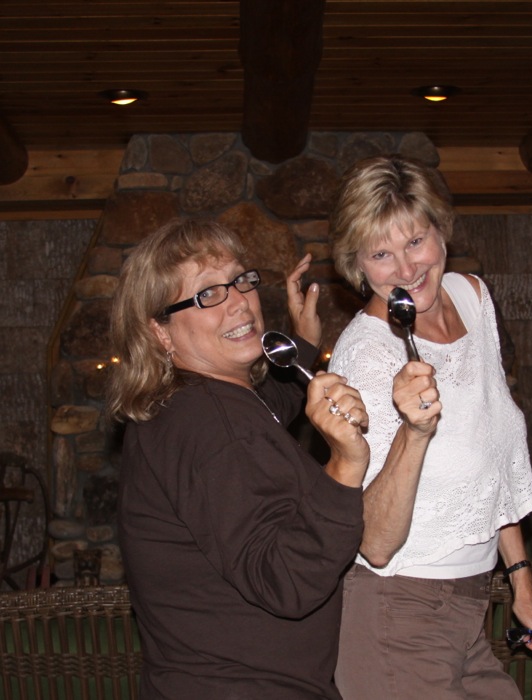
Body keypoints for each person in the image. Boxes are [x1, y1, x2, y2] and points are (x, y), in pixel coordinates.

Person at [106, 218, 370, 700]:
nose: (239, 301)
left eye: (240, 280)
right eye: (208, 294)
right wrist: (344, 468)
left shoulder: (188, 405)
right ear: (160, 332)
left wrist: (302, 345)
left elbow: (264, 417)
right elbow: (286, 579)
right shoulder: (212, 424)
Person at [327, 155, 532, 699]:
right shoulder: (365, 357)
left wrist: (521, 580)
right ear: (358, 265)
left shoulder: (472, 299)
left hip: (467, 606)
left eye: (415, 241)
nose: (406, 269)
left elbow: (493, 459)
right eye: (381, 254)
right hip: (394, 612)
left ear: (441, 230)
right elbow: (376, 544)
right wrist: (414, 430)